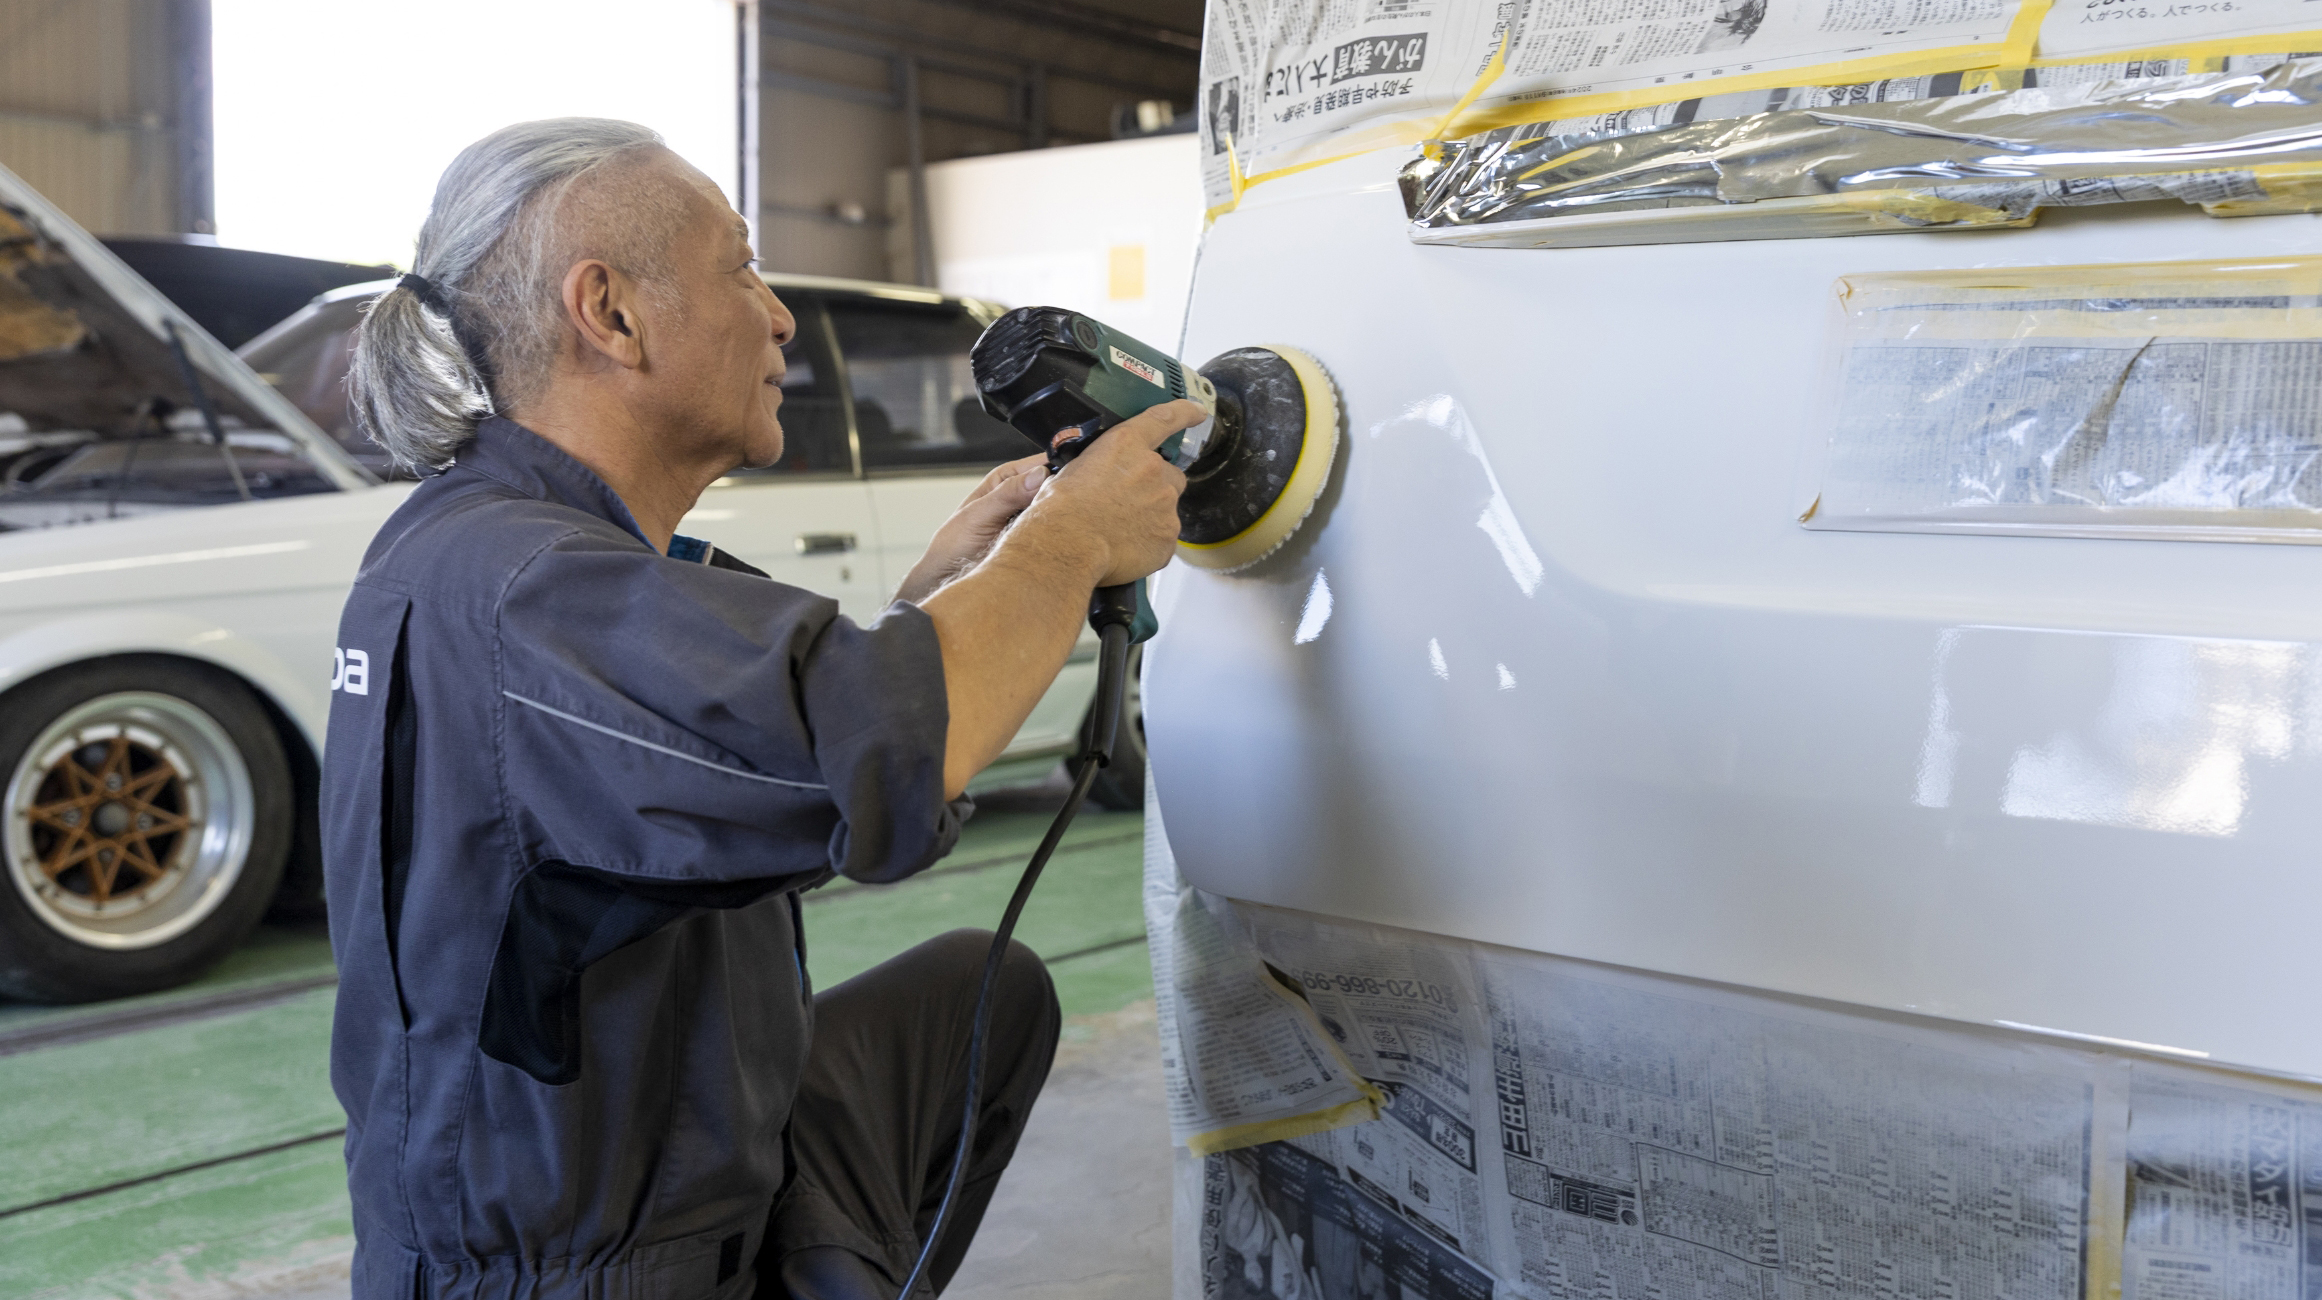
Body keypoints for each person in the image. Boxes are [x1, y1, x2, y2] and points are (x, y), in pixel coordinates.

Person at [319, 117, 1194, 1300]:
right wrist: (1073, 536)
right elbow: (880, 744)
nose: (777, 316)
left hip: (648, 1161)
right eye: (741, 267)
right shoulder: (532, 593)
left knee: (979, 999)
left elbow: (751, 742)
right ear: (611, 312)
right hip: (573, 1270)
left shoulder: (511, 546)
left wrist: (945, 592)